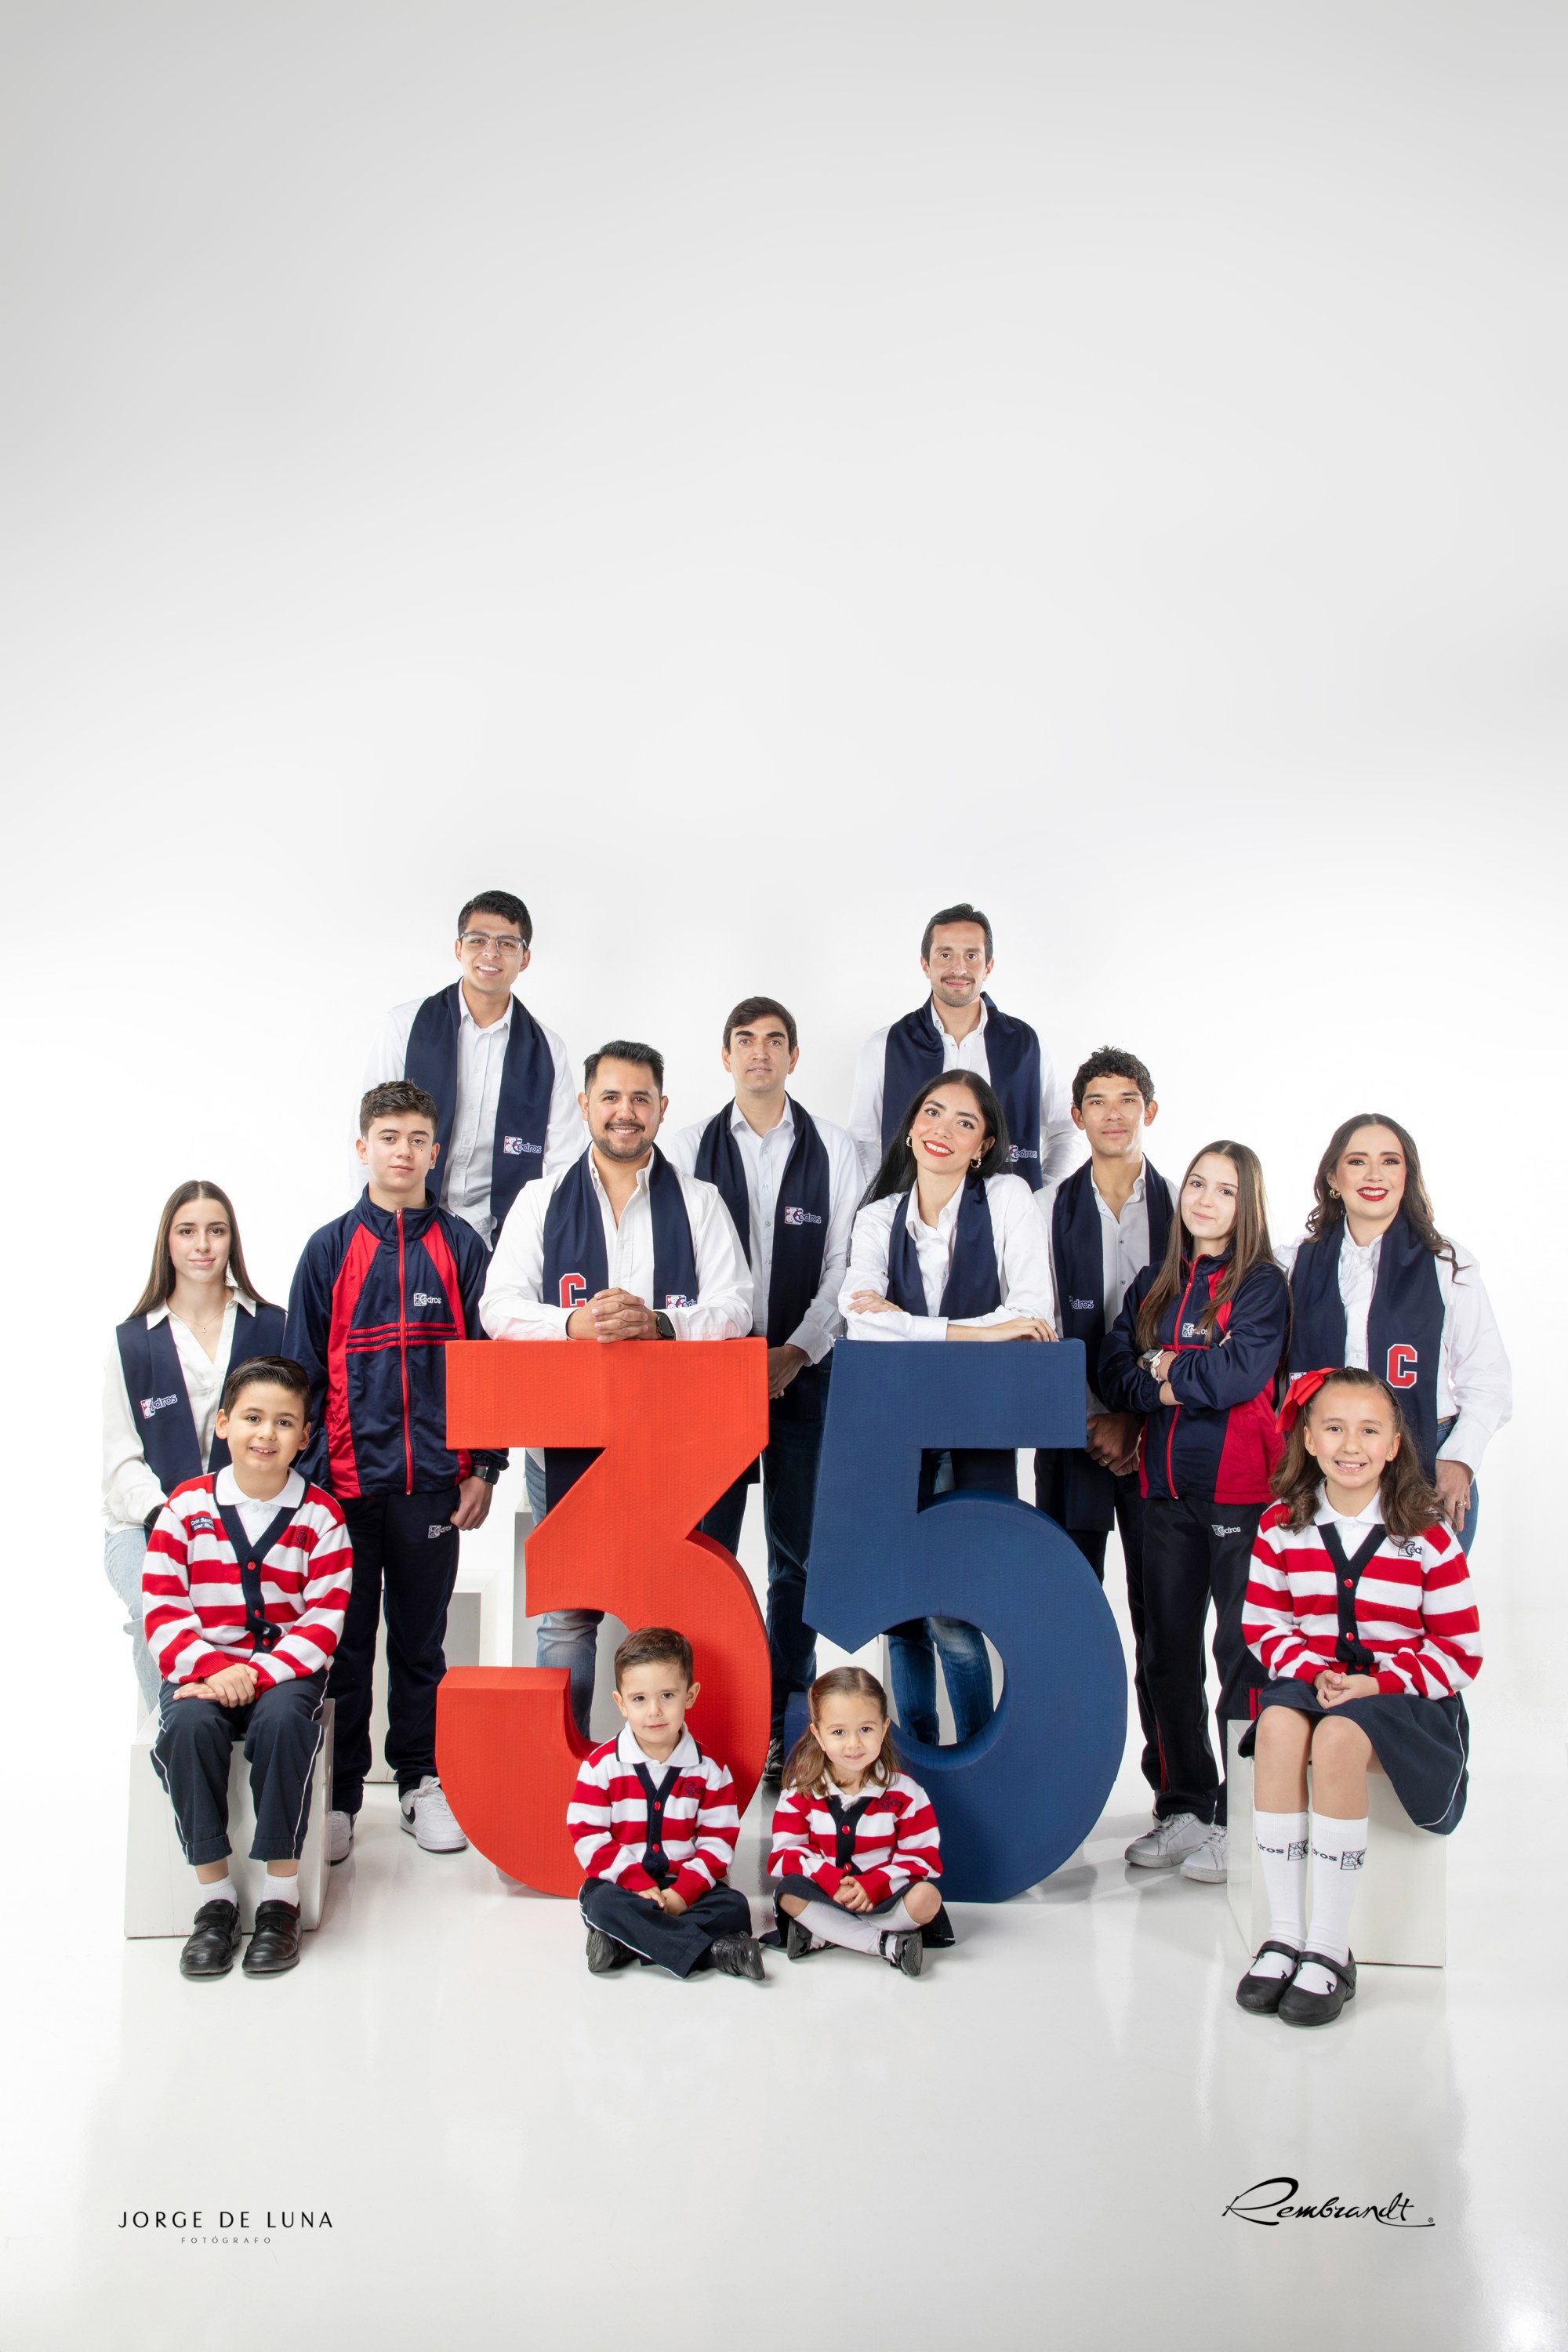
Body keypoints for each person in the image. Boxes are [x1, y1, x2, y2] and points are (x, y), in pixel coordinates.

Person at [481, 1041, 752, 1737]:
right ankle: (568, 1770)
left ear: (662, 1109)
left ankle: (674, 1774)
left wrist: (660, 1323)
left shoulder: (700, 1202)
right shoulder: (541, 1200)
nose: (624, 1112)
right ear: (584, 1106)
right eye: (610, 1097)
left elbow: (737, 1306)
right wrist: (573, 1323)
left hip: (678, 1446)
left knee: (673, 1611)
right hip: (569, 1442)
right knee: (567, 1614)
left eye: (640, 1098)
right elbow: (497, 1306)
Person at [285, 1081, 506, 1866]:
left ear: (435, 1151)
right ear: (363, 1148)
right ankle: (341, 1796)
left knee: (421, 1645)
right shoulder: (327, 1250)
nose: (402, 1151)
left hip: (434, 1488)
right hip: (342, 1491)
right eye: (388, 1137)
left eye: (416, 1138)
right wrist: (309, 1483)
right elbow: (301, 1376)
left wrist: (484, 1468)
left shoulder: (463, 1248)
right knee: (344, 1648)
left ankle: (420, 1782)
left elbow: (488, 1368)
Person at [1237, 1367, 1482, 2026]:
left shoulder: (1427, 1534)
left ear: (1395, 1445)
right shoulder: (1280, 1525)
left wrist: (1378, 1682)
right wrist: (1313, 1672)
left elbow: (1460, 1652)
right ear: (1309, 1439)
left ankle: (1328, 1947)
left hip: (1407, 1699)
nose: (1352, 1445)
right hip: (1317, 1682)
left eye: (1370, 1431)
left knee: (1340, 1737)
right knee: (1279, 1727)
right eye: (1335, 1428)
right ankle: (1284, 1935)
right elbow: (1265, 1625)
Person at [666, 996, 861, 1781]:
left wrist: (797, 1350)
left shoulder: (834, 1148)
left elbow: (844, 1263)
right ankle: (710, 1720)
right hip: (708, 1382)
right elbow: (675, 1261)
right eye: (744, 1040)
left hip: (804, 1373)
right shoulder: (685, 1147)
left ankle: (782, 1721)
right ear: (725, 1056)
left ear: (792, 1056)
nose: (759, 1052)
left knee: (796, 1558)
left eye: (774, 1040)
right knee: (705, 1554)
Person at [839, 1072, 1055, 1748]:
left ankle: (975, 1756)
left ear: (983, 1145)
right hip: (892, 1431)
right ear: (910, 1127)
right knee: (901, 1613)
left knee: (955, 1610)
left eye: (965, 1122)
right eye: (932, 1112)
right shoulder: (878, 1217)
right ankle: (916, 1761)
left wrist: (910, 1325)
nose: (944, 1130)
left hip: (975, 1429)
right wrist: (979, 1333)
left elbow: (1033, 1314)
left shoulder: (1008, 1198)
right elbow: (860, 1321)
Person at [1100, 1141, 1289, 1886]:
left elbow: (1239, 1375)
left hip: (1241, 1494)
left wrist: (1163, 1366)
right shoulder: (1156, 1283)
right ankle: (1185, 1805)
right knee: (1165, 1655)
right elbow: (1116, 1372)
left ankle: (1240, 1819)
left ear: (1247, 1205)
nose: (1207, 1200)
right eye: (1198, 1185)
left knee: (1240, 1656)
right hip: (1163, 1492)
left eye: (1226, 1190)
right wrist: (1169, 1374)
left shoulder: (1262, 1283)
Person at [143, 1356, 352, 1980]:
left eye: (285, 1422)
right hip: (200, 1670)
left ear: (305, 1436)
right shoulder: (184, 1509)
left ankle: (280, 1900)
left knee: (286, 1727)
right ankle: (215, 1899)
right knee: (188, 1730)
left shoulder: (321, 1517)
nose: (267, 1433)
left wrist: (257, 1675)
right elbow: (163, 1608)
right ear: (224, 1424)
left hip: (284, 1674)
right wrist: (212, 1668)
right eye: (253, 1418)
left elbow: (322, 1621)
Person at [1035, 1047, 1174, 1796]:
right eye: (1097, 1101)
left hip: (1162, 1443)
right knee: (1068, 1618)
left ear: (1149, 1111)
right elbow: (1036, 1323)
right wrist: (1096, 1418)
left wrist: (1136, 1423)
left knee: (1164, 1625)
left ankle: (1176, 1793)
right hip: (1074, 1439)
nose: (1113, 1114)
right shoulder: (1045, 1210)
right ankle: (1064, 1782)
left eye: (1126, 1100)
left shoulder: (1187, 1208)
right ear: (1076, 1115)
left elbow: (1198, 1334)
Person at [1280, 1113, 1511, 1555]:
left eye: (1390, 1161)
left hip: (1426, 1454)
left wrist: (1460, 1459)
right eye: (1357, 1161)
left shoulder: (1448, 1264)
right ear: (1333, 1177)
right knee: (1327, 1597)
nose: (1374, 1175)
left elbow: (1488, 1377)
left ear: (1408, 1175)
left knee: (1425, 1597)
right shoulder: (1291, 1263)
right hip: (1323, 1460)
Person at [105, 1182, 285, 1714]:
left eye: (216, 1230)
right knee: (154, 1609)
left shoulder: (271, 1327)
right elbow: (121, 1462)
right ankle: (171, 1727)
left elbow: (296, 1429)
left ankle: (234, 1722)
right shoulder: (132, 1341)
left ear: (232, 1241)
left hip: (249, 1517)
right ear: (168, 1242)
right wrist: (175, 1519)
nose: (202, 1245)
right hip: (145, 1523)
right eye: (187, 1231)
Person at [363, 889, 581, 1247]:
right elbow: (369, 1129)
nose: (490, 953)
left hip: (501, 1238)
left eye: (507, 943)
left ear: (525, 958)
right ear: (458, 948)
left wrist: (551, 1241)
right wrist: (370, 1225)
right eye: (477, 940)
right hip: (403, 1225)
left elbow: (565, 1160)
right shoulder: (404, 1026)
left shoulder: (548, 1049)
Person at [569, 1625, 765, 1982]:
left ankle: (625, 1942)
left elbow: (717, 1844)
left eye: (667, 1696)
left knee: (734, 1907)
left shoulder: (711, 1771)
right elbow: (589, 1837)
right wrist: (634, 1882)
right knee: (602, 1904)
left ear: (690, 1696)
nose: (655, 1711)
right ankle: (713, 1952)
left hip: (685, 1883)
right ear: (621, 1703)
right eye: (639, 1699)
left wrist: (681, 1895)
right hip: (623, 1886)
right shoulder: (600, 1768)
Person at [847, 900, 1084, 1192]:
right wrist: (888, 1201)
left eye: (971, 955)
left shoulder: (1027, 1046)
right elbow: (862, 1140)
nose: (958, 968)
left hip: (1006, 1215)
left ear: (988, 966)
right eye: (945, 954)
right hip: (911, 1212)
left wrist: (1042, 1196)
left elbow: (1065, 1131)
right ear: (925, 964)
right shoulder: (884, 1047)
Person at [768, 1666, 951, 1976]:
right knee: (789, 1892)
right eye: (839, 1732)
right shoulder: (801, 1791)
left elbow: (921, 1857)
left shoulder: (906, 1793)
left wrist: (875, 1884)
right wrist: (830, 1881)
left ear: (884, 1728)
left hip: (884, 1897)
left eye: (866, 1729)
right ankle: (883, 1944)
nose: (854, 1744)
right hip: (827, 1894)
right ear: (818, 1735)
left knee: (927, 1898)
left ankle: (828, 1934)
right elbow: (786, 1853)